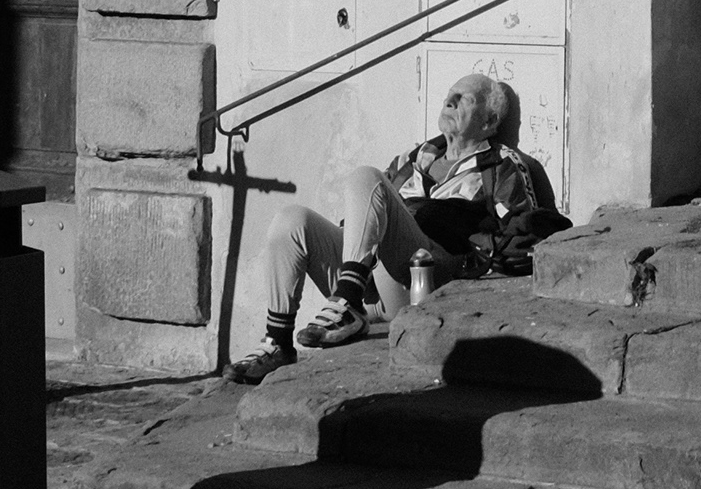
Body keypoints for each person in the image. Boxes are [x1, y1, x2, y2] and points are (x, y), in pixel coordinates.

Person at [229, 71, 564, 384]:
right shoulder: (416, 157)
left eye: (464, 99)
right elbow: (370, 210)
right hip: (374, 283)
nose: (450, 101)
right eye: (449, 95)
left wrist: (480, 261)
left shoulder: (502, 164)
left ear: (489, 122)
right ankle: (279, 342)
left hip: (427, 277)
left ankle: (347, 302)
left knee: (366, 176)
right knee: (292, 219)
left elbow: (528, 230)